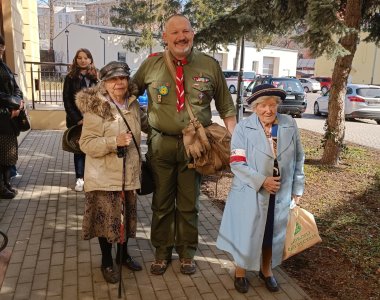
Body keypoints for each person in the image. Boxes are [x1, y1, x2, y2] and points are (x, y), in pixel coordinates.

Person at [133, 14, 237, 275]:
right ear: (165, 37)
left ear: (193, 33)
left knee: (190, 204)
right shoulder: (152, 65)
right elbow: (126, 94)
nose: (181, 37)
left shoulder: (209, 66)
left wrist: (236, 148)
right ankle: (161, 251)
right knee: (162, 202)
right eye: (175, 32)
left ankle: (187, 253)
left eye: (186, 31)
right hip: (161, 146)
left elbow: (226, 107)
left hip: (197, 148)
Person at [216, 84, 305, 293]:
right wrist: (262, 180)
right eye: (263, 105)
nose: (268, 110)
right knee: (247, 233)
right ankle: (240, 272)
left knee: (271, 233)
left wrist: (297, 188)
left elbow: (299, 158)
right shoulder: (243, 128)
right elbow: (237, 162)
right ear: (255, 107)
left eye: (273, 105)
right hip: (251, 190)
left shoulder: (289, 124)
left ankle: (267, 271)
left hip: (280, 192)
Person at [76, 61, 148, 284]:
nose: (119, 83)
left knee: (125, 220)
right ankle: (107, 261)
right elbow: (86, 143)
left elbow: (147, 124)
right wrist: (112, 141)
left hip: (129, 175)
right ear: (104, 83)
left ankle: (123, 255)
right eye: (113, 79)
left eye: (123, 78)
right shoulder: (97, 107)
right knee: (107, 222)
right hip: (104, 177)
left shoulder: (133, 103)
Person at [63, 48, 98, 192]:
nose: (82, 60)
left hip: (94, 121)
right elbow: (67, 101)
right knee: (79, 150)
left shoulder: (95, 76)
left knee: (93, 149)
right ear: (76, 60)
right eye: (79, 58)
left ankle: (92, 177)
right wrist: (78, 119)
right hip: (76, 121)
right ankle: (80, 178)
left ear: (90, 59)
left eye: (85, 57)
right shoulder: (70, 77)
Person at [0, 34, 24, 199]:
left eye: (1, 46)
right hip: (3, 115)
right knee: (2, 154)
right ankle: (2, 187)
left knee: (9, 153)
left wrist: (18, 102)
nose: (0, 49)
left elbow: (16, 88)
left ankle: (7, 184)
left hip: (10, 117)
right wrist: (12, 107)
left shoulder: (5, 66)